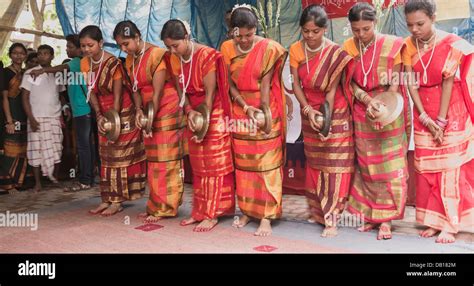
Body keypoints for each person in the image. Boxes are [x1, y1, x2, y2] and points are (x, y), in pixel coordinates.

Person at [403, 0, 474, 243]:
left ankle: (450, 225)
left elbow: (447, 82)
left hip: (451, 111)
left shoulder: (452, 45)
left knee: (449, 170)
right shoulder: (407, 45)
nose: (415, 30)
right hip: (423, 110)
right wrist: (424, 117)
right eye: (410, 25)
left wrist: (440, 122)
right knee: (427, 171)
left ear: (434, 18)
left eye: (420, 24)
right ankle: (433, 220)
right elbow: (409, 83)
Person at [343, 2, 410, 240]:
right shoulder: (348, 48)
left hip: (389, 109)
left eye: (366, 29)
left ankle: (387, 220)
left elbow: (396, 79)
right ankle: (372, 215)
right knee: (368, 166)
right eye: (356, 30)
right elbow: (348, 82)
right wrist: (364, 99)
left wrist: (384, 103)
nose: (360, 34)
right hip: (363, 110)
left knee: (391, 167)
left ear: (376, 23)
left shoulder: (393, 45)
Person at [162, 19, 235, 232]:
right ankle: (199, 211)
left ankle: (213, 213)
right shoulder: (174, 60)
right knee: (198, 165)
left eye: (175, 45)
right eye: (168, 47)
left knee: (214, 164)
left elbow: (211, 95)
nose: (173, 51)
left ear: (186, 38)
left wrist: (204, 120)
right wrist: (188, 113)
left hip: (213, 111)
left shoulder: (207, 55)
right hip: (193, 111)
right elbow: (180, 92)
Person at [220, 5, 287, 236]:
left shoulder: (269, 48)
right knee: (245, 167)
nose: (246, 40)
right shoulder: (227, 48)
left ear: (255, 29)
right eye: (241, 36)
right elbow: (228, 83)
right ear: (232, 32)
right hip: (241, 110)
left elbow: (266, 84)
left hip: (265, 111)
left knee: (266, 165)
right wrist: (244, 106)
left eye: (250, 35)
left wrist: (262, 114)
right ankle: (248, 210)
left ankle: (267, 215)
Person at [289, 5, 354, 237]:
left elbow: (332, 90)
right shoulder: (295, 50)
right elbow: (296, 84)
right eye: (306, 31)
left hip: (333, 111)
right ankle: (318, 212)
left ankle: (332, 217)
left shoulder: (335, 53)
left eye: (315, 31)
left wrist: (324, 119)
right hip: (309, 110)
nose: (310, 36)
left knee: (335, 167)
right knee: (316, 164)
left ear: (324, 30)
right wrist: (308, 111)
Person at [114, 20, 186, 223]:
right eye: (120, 45)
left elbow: (158, 91)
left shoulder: (156, 55)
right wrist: (138, 111)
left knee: (167, 160)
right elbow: (135, 89)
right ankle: (155, 204)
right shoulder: (130, 60)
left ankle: (167, 207)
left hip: (165, 107)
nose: (123, 48)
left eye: (126, 43)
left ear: (137, 37)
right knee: (154, 161)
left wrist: (149, 116)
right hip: (148, 109)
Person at [79, 25, 147, 216]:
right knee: (106, 156)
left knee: (119, 156)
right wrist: (99, 116)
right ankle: (107, 198)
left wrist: (113, 120)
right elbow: (91, 91)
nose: (86, 50)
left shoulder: (114, 63)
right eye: (83, 46)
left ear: (100, 43)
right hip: (103, 113)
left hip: (122, 112)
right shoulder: (85, 63)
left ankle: (118, 200)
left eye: (90, 45)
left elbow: (118, 95)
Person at [30, 34, 96, 191]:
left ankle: (85, 180)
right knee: (88, 145)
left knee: (83, 146)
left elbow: (61, 68)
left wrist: (42, 70)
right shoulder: (83, 63)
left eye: (70, 47)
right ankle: (89, 176)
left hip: (82, 110)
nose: (67, 49)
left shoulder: (77, 62)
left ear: (79, 49)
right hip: (83, 109)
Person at [21, 44, 71, 192]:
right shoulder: (30, 73)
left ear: (52, 56)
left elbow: (61, 94)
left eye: (45, 53)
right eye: (40, 54)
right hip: (36, 117)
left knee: (56, 148)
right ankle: (38, 183)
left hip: (54, 117)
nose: (42, 56)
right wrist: (31, 118)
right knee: (35, 149)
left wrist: (65, 108)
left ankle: (54, 179)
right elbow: (24, 98)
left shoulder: (56, 73)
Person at [0, 43, 33, 193]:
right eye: (15, 53)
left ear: (25, 55)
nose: (18, 56)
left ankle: (21, 181)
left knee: (23, 148)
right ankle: (8, 183)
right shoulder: (5, 72)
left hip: (25, 113)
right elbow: (4, 98)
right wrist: (9, 120)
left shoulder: (28, 73)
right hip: (12, 113)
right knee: (10, 149)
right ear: (10, 55)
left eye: (21, 53)